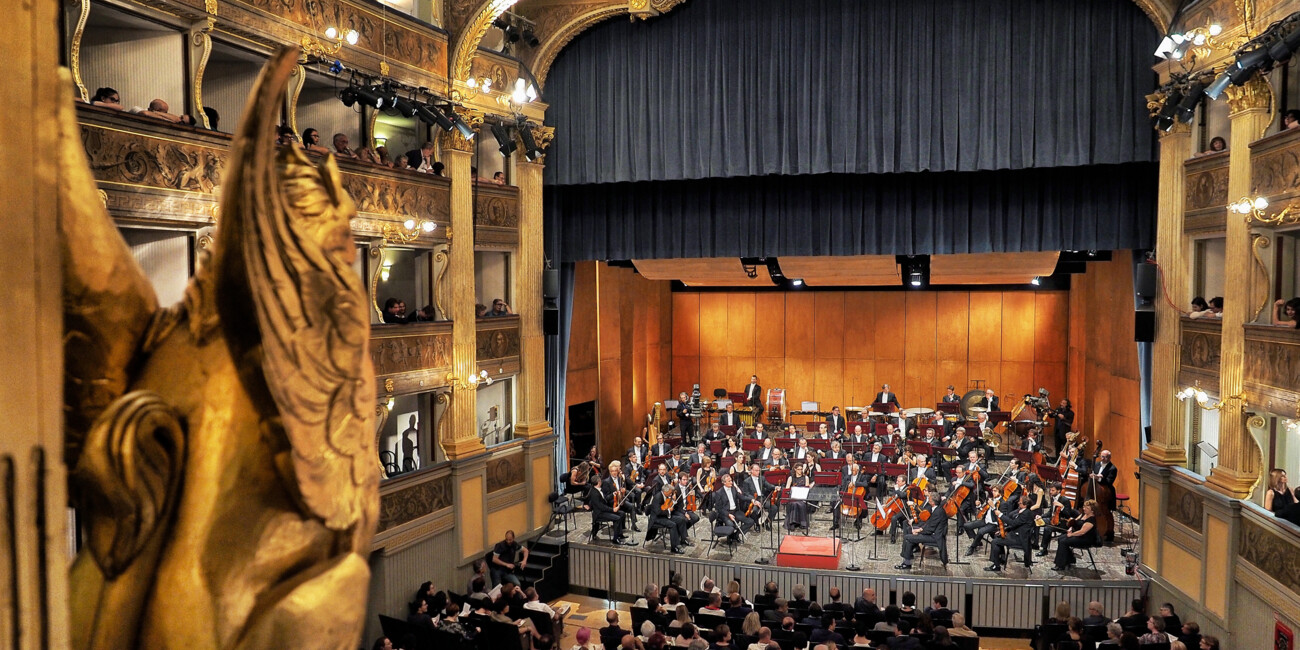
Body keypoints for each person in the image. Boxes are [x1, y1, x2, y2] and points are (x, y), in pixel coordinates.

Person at [896, 491, 948, 569]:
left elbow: (930, 529)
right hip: (931, 533)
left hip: (935, 537)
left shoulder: (938, 512)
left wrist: (919, 531)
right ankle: (907, 559)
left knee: (907, 538)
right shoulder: (936, 509)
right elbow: (929, 524)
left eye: (929, 499)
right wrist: (920, 529)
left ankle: (907, 562)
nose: (928, 499)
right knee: (909, 533)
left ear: (932, 502)